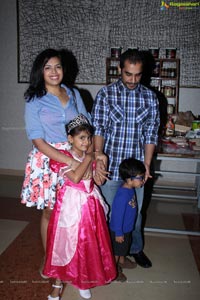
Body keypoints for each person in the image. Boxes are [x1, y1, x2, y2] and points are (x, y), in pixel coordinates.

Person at [20, 48, 93, 277]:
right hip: (49, 160)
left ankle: (73, 255)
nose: (54, 71)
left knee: (75, 211)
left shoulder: (73, 93)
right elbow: (38, 140)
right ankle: (49, 258)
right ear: (40, 71)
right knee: (51, 212)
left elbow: (86, 128)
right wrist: (70, 162)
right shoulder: (34, 100)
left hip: (75, 155)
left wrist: (89, 158)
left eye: (58, 66)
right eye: (48, 67)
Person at [91, 49, 160, 269]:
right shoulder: (106, 94)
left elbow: (150, 134)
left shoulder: (150, 97)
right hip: (111, 166)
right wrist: (99, 157)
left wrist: (148, 165)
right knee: (110, 213)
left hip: (136, 169)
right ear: (120, 69)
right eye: (128, 74)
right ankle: (109, 254)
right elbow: (99, 128)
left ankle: (135, 249)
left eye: (138, 75)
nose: (132, 80)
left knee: (135, 213)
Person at [43, 114, 117, 300]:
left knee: (88, 243)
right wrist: (90, 157)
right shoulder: (62, 157)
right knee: (64, 245)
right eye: (81, 138)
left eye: (89, 138)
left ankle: (83, 280)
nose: (87, 142)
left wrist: (100, 163)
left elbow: (98, 180)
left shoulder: (92, 156)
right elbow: (75, 178)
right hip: (70, 206)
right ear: (70, 138)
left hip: (90, 205)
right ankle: (57, 284)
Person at [110, 158, 146, 282]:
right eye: (140, 178)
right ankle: (113, 271)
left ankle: (122, 260)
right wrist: (119, 233)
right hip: (119, 230)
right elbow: (117, 216)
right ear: (130, 179)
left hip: (127, 228)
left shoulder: (130, 189)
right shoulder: (122, 195)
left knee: (123, 249)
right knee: (116, 251)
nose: (142, 181)